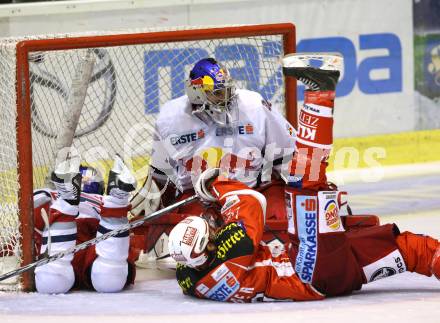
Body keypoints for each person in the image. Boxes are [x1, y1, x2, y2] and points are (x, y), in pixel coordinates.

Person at [168, 168, 440, 302]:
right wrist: (216, 184)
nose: (215, 228)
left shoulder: (189, 278)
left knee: (408, 249)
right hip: (309, 268)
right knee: (305, 191)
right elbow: (250, 202)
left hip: (321, 275)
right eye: (211, 232)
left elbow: (193, 256)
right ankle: (319, 96)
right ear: (210, 246)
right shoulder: (235, 252)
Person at [135, 57, 301, 268]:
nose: (227, 97)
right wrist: (153, 218)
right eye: (217, 92)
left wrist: (307, 195)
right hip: (201, 199)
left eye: (227, 89)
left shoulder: (253, 105)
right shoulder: (170, 119)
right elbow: (161, 174)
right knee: (191, 246)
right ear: (196, 92)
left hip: (257, 192)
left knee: (285, 222)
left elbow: (289, 155)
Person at [32, 154, 137, 294]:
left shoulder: (50, 193)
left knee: (51, 283)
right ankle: (116, 204)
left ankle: (66, 204)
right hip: (97, 233)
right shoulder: (101, 199)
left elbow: (33, 208)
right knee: (110, 280)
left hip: (68, 230)